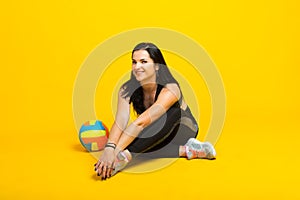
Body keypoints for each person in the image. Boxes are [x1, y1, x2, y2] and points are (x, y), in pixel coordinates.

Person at [94, 42, 216, 180]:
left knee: (171, 113)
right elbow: (120, 122)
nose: (137, 67)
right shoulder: (126, 90)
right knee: (144, 141)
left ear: (157, 66)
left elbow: (141, 123)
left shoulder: (170, 88)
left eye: (143, 62)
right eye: (134, 62)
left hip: (183, 130)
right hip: (156, 133)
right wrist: (109, 148)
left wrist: (115, 154)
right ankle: (189, 150)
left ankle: (125, 157)